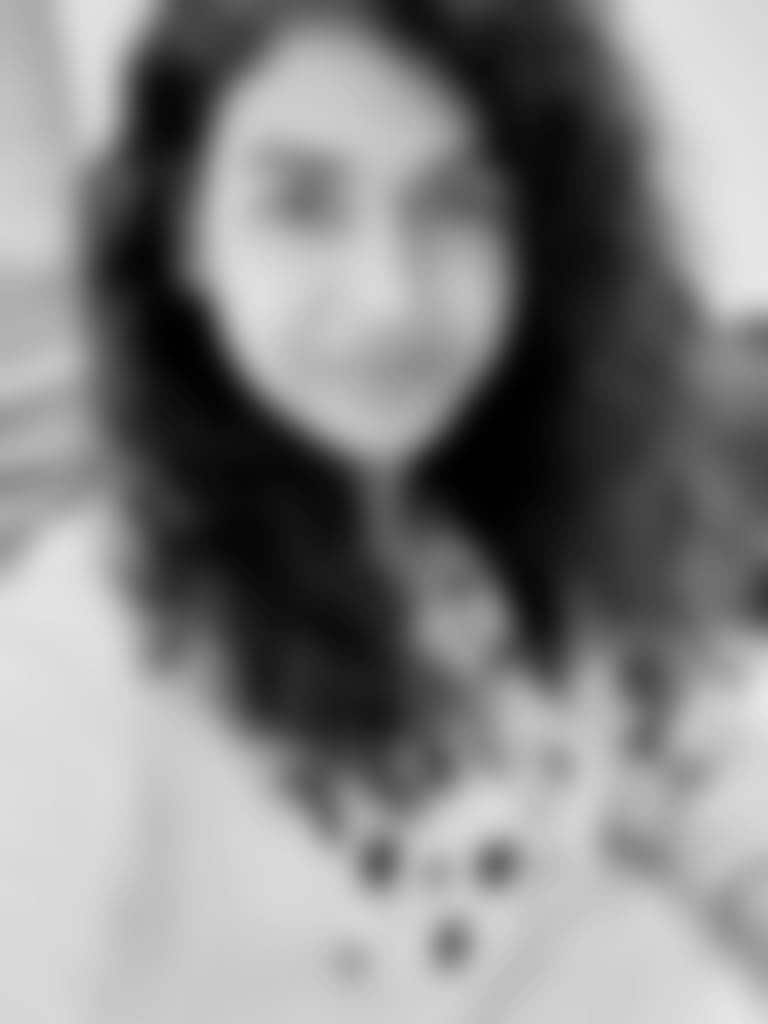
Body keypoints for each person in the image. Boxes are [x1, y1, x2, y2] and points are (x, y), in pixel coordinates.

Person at [1, 1, 766, 1020]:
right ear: (185, 234)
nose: (387, 299)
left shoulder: (536, 522)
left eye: (458, 203)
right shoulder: (84, 648)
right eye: (301, 205)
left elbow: (706, 766)